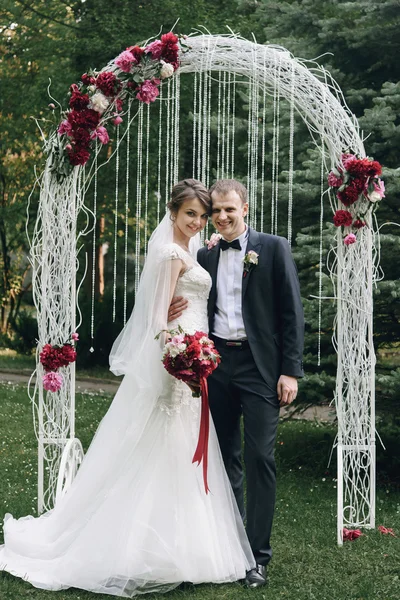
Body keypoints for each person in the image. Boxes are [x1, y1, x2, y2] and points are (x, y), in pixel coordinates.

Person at [0, 179, 255, 597]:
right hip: (179, 358)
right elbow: (156, 320)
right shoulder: (172, 253)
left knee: (182, 448)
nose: (197, 222)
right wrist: (178, 358)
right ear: (172, 212)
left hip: (195, 354)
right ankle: (144, 547)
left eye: (202, 216)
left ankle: (184, 546)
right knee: (165, 448)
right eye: (190, 214)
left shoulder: (192, 249)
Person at [169, 179, 304, 588]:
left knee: (260, 457)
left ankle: (258, 558)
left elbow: (291, 312)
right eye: (216, 212)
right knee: (225, 458)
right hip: (217, 365)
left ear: (245, 207)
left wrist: (290, 370)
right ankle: (229, 549)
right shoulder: (206, 253)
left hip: (261, 367)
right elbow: (189, 293)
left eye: (230, 209)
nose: (223, 217)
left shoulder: (273, 248)